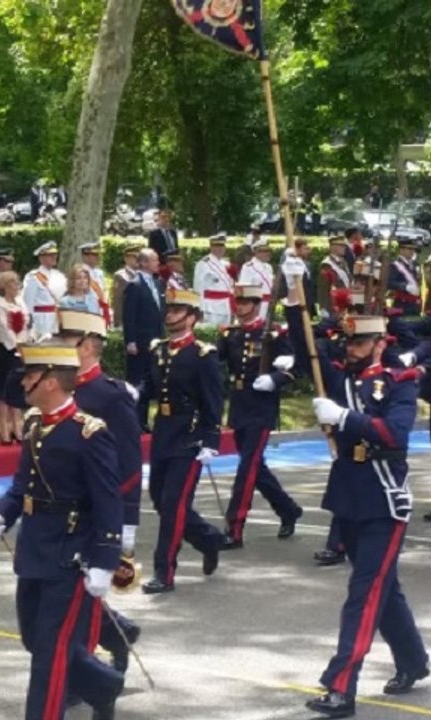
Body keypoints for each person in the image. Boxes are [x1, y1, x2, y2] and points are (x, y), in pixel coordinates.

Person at [280, 252, 429, 717]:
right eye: (349, 343)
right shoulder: (342, 376)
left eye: (361, 344)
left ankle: (341, 686)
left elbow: (394, 435)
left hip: (384, 502)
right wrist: (293, 288)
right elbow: (305, 341)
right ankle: (414, 660)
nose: (351, 350)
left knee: (363, 597)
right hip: (349, 495)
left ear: (380, 343)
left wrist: (347, 417)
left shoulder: (400, 381)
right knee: (382, 589)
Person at [0, 339, 125, 720]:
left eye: (30, 374)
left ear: (51, 382)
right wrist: (1, 516)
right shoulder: (32, 424)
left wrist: (105, 561)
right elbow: (22, 485)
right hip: (34, 548)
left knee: (50, 652)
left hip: (70, 553)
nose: (23, 381)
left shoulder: (89, 432)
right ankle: (103, 686)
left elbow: (108, 500)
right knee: (33, 637)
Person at [57, 309, 143, 674]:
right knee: (67, 592)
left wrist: (125, 520)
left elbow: (129, 462)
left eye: (67, 340)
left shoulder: (110, 396)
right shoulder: (59, 389)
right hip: (62, 510)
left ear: (88, 346)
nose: (59, 346)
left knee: (83, 594)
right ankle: (118, 631)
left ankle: (89, 674)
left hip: (96, 513)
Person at [140, 288, 225, 594]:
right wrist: (133, 394)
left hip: (190, 437)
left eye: (178, 311)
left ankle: (165, 572)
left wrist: (210, 440)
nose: (170, 315)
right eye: (169, 309)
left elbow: (213, 401)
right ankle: (208, 538)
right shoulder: (159, 349)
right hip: (164, 433)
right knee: (161, 501)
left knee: (174, 506)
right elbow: (150, 386)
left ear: (192, 318)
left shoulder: (203, 354)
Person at [216, 283, 303, 549]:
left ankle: (235, 527)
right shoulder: (230, 333)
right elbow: (214, 363)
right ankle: (288, 509)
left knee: (247, 469)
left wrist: (274, 379)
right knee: (254, 466)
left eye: (245, 302)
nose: (239, 307)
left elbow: (293, 367)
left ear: (256, 305)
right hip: (240, 406)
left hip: (262, 407)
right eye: (237, 302)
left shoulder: (273, 334)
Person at [123, 248, 165, 429]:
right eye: (155, 261)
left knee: (150, 380)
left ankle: (144, 420)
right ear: (144, 263)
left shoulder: (158, 283)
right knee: (137, 382)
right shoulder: (134, 284)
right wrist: (130, 341)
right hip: (140, 341)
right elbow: (129, 315)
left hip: (154, 340)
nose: (158, 264)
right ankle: (135, 422)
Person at [0, 270, 29, 444]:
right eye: (12, 284)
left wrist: (24, 344)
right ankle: (4, 429)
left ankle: (17, 426)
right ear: (4, 287)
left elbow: (27, 322)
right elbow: (3, 328)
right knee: (3, 389)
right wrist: (15, 345)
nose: (16, 287)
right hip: (5, 350)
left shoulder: (20, 303)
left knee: (17, 388)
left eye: (17, 284)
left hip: (20, 349)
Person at [23, 240, 66, 338]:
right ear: (41, 258)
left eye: (55, 254)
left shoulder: (59, 275)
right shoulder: (33, 277)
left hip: (56, 318)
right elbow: (28, 302)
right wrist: (29, 322)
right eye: (50, 255)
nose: (54, 257)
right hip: (41, 320)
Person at [193, 234, 234, 326]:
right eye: (217, 246)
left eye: (222, 246)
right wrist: (199, 307)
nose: (220, 249)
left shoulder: (225, 264)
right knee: (211, 334)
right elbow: (198, 286)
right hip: (211, 307)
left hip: (225, 306)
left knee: (225, 335)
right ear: (211, 247)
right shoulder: (204, 263)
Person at [238, 238, 275, 321]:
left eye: (268, 251)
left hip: (268, 304)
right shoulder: (248, 267)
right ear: (256, 253)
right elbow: (244, 288)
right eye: (264, 251)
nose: (267, 254)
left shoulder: (268, 267)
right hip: (256, 304)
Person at [318, 236, 353, 319]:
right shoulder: (327, 264)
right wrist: (323, 307)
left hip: (344, 303)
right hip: (333, 305)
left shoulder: (343, 262)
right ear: (333, 247)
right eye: (341, 246)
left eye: (344, 246)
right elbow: (323, 288)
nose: (344, 248)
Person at [111, 244, 142, 329]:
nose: (138, 260)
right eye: (135, 257)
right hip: (127, 322)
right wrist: (118, 323)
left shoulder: (143, 274)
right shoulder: (121, 276)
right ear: (126, 259)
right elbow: (117, 301)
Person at [388, 237, 422, 316]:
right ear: (401, 250)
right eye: (409, 249)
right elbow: (390, 282)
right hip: (402, 304)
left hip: (415, 304)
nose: (412, 251)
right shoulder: (395, 265)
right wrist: (405, 286)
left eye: (413, 249)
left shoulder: (415, 264)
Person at [80, 242, 110, 325]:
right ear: (84, 256)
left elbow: (103, 290)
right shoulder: (80, 272)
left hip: (100, 308)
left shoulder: (99, 272)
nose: (97, 257)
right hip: (87, 308)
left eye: (97, 255)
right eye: (94, 255)